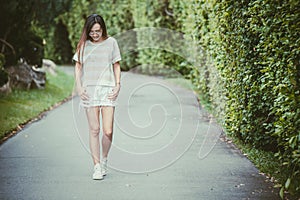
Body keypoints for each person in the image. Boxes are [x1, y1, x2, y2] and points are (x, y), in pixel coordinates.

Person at [73, 14, 121, 180]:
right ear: (87, 30)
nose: (95, 34)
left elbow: (116, 65)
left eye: (98, 31)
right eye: (92, 31)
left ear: (103, 29)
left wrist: (118, 85)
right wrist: (79, 87)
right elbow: (78, 67)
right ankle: (97, 166)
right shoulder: (83, 45)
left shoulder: (111, 43)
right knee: (94, 130)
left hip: (107, 89)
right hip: (90, 91)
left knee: (108, 130)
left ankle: (105, 159)